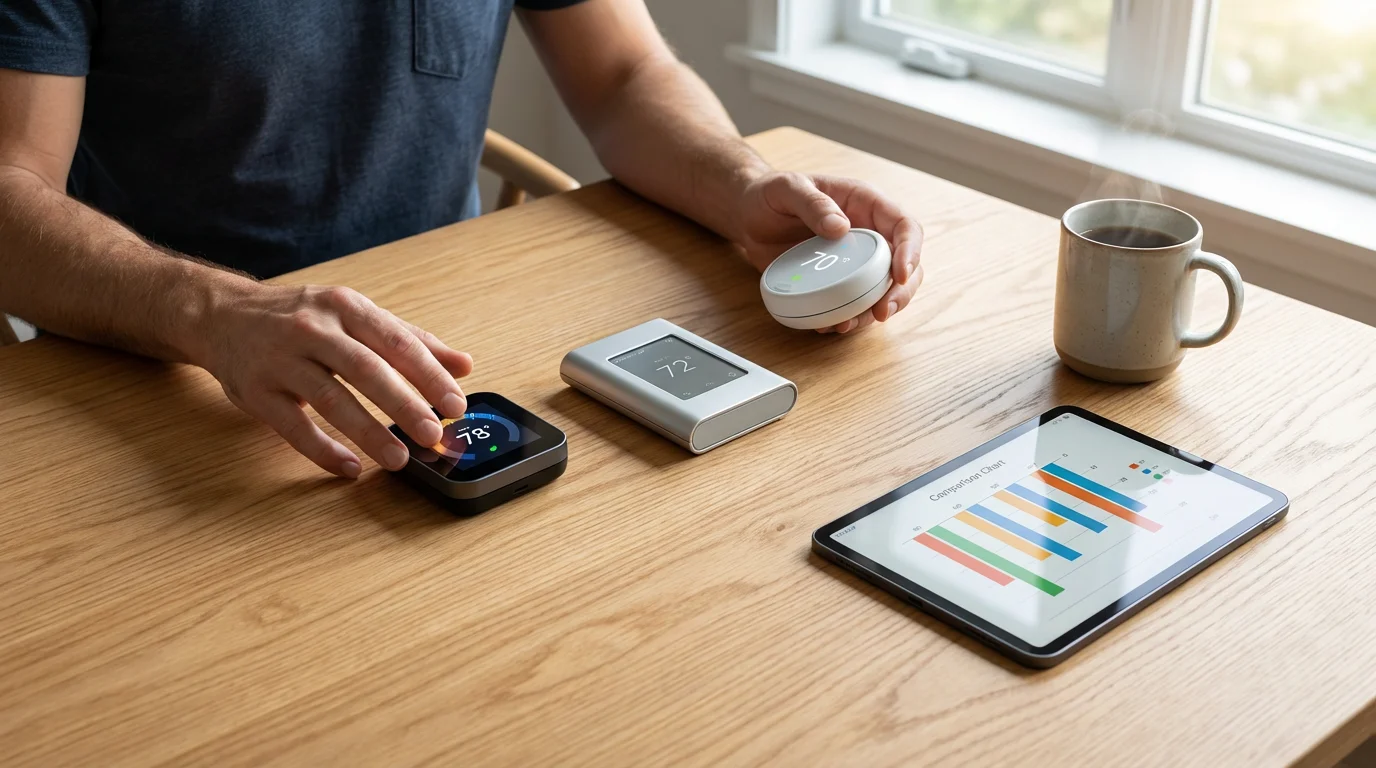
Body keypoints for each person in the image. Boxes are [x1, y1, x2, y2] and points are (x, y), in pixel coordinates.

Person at [0, 0, 924, 478]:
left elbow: (625, 74)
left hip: (461, 349)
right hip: (168, 371)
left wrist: (742, 183)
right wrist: (217, 310)